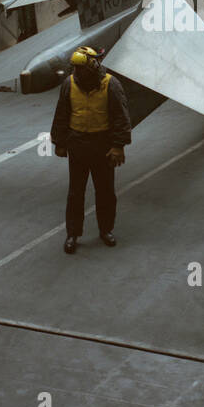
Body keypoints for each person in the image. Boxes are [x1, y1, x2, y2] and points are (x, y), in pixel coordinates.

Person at [50, 47, 132, 253]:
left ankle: (106, 230)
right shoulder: (69, 84)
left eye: (80, 69)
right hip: (77, 146)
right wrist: (59, 143)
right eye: (75, 69)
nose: (77, 73)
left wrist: (118, 146)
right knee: (75, 194)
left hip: (103, 147)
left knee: (105, 192)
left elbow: (121, 118)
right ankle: (73, 234)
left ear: (93, 66)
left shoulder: (110, 85)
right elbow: (62, 114)